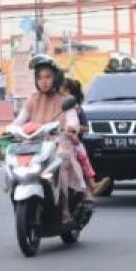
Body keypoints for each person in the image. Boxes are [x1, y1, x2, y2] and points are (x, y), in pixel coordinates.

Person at [12, 55, 84, 221]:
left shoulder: (64, 99)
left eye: (48, 77)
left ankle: (65, 208)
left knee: (61, 164)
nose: (43, 81)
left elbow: (72, 117)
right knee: (17, 165)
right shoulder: (32, 99)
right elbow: (21, 119)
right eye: (40, 77)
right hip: (34, 144)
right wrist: (11, 128)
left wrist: (71, 126)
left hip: (58, 142)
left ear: (56, 78)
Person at [62, 77, 111, 197]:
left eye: (62, 90)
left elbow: (86, 127)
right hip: (55, 140)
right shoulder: (55, 106)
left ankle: (92, 184)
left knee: (83, 158)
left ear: (69, 92)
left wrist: (74, 128)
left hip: (73, 142)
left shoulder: (77, 109)